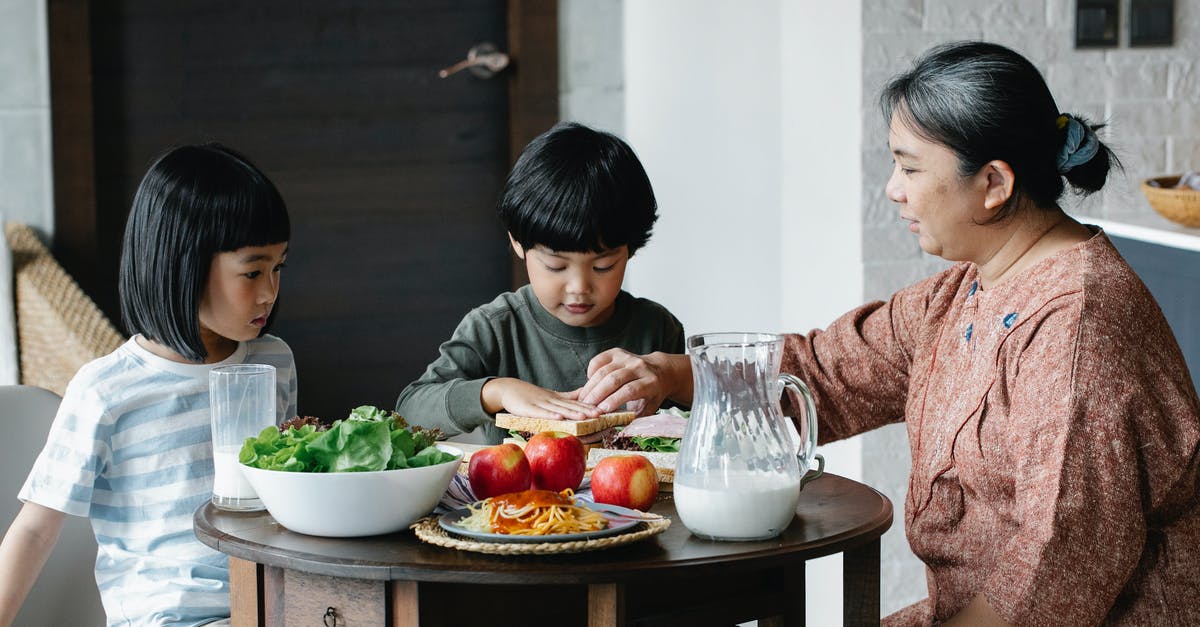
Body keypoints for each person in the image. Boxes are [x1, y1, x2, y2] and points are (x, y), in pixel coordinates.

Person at [576, 41, 1200, 625]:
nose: (893, 191)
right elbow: (829, 371)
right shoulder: (967, 289)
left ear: (994, 184)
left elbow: (1052, 577)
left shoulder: (1077, 331)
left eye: (909, 168)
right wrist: (675, 374)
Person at [0, 144, 297, 626]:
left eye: (278, 268)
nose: (269, 291)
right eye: (252, 271)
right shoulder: (107, 390)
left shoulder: (274, 363)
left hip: (269, 605)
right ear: (186, 265)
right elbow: (35, 529)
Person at [397, 122, 686, 444]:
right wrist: (496, 391)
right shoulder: (496, 328)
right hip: (520, 494)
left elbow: (712, 416)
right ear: (518, 243)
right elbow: (410, 411)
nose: (578, 286)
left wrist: (671, 373)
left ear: (631, 250)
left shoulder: (655, 328)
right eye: (555, 265)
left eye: (603, 266)